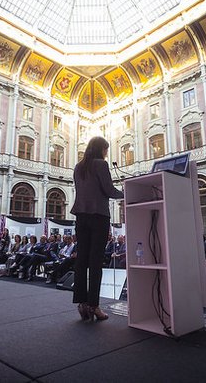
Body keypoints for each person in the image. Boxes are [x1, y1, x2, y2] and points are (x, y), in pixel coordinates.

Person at [71, 136, 124, 321]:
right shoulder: (101, 164)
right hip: (98, 216)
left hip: (81, 216)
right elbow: (109, 190)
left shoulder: (79, 166)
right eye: (106, 150)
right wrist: (128, 193)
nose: (106, 153)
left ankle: (82, 303)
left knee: (81, 260)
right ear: (101, 149)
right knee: (95, 263)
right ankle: (94, 305)